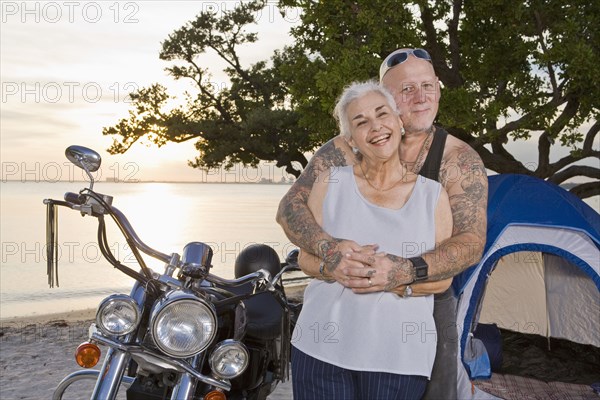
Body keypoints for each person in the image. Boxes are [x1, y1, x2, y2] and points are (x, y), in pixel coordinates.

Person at [277, 48, 488, 399]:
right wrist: (331, 253)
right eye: (407, 90)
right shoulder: (346, 148)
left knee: (439, 391)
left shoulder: (457, 160)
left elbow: (469, 242)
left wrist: (402, 272)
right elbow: (290, 208)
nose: (420, 98)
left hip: (426, 301)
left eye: (428, 86)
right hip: (335, 322)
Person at [291, 80, 453, 399]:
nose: (375, 127)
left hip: (399, 359)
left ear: (399, 122)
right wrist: (332, 268)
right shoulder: (329, 183)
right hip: (319, 349)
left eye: (382, 114)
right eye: (361, 122)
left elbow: (443, 279)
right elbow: (303, 258)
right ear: (350, 139)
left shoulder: (433, 196)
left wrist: (395, 278)